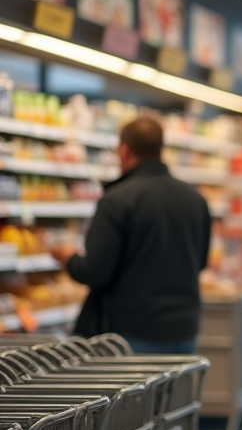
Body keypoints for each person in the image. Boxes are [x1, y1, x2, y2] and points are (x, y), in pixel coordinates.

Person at [52, 117, 211, 354]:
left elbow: (94, 271)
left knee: (135, 393)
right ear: (161, 150)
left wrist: (67, 257)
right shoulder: (195, 199)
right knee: (176, 392)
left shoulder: (117, 200)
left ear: (124, 150)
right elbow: (199, 263)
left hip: (131, 334)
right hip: (184, 329)